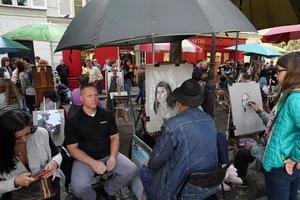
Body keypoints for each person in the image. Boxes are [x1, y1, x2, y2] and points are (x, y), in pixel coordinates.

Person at [140, 79, 219, 200]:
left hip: (184, 188)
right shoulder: (209, 119)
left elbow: (157, 160)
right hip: (209, 182)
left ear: (179, 103)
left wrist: (149, 164)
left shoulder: (173, 125)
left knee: (144, 171)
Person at [64, 83, 138, 200]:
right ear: (81, 98)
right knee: (78, 188)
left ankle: (107, 189)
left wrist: (113, 156)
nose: (93, 98)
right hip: (85, 160)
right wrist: (93, 163)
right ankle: (93, 197)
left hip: (107, 154)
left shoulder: (107, 114)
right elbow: (72, 149)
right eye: (89, 96)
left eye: (95, 95)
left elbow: (114, 137)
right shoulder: (73, 120)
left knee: (132, 170)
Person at [0, 106, 62, 199]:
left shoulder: (41, 134)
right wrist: (15, 182)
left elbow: (57, 155)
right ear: (6, 138)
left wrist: (54, 163)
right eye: (17, 138)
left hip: (47, 188)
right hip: (16, 194)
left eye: (27, 133)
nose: (24, 139)